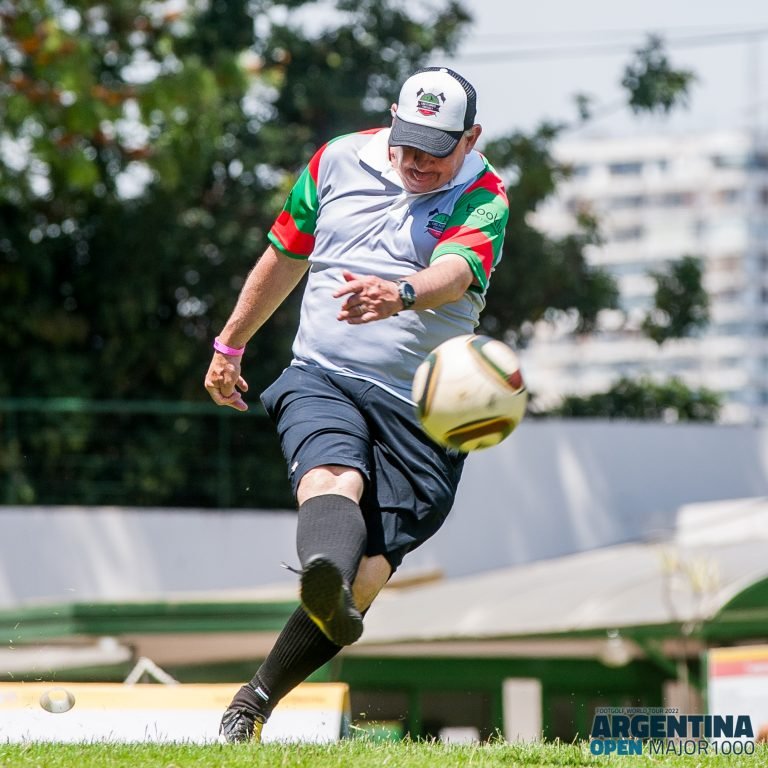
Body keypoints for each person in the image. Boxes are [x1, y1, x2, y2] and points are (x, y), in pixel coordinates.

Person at [204, 66, 509, 743]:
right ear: (392, 119)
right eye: (409, 143)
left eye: (437, 149)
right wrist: (230, 344)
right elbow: (285, 254)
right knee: (331, 476)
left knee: (366, 581)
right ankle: (322, 579)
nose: (418, 161)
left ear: (471, 140)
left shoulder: (485, 194)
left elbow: (457, 271)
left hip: (422, 412)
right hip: (324, 373)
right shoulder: (336, 160)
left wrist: (400, 294)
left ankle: (257, 696)